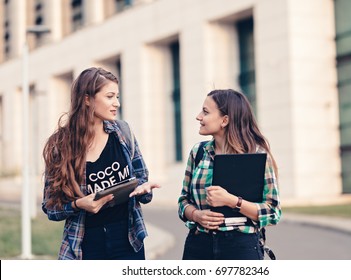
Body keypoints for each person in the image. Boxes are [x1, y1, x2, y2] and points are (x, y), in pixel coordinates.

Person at [42, 67, 160, 260]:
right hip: (86, 243)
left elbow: (141, 179)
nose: (117, 103)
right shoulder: (61, 145)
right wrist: (79, 204)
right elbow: (50, 207)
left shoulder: (123, 132)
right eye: (110, 97)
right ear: (87, 99)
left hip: (129, 240)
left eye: (117, 96)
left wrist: (144, 190)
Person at [178, 89, 281, 260]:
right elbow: (183, 202)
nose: (198, 117)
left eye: (205, 112)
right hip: (198, 246)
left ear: (225, 120)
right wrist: (196, 215)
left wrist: (232, 201)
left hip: (240, 248)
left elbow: (272, 212)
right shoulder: (198, 152)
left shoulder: (257, 156)